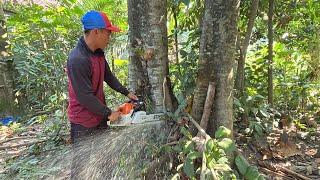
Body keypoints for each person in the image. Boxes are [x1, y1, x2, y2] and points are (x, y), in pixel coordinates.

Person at [66, 10, 137, 178]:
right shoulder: (77, 60)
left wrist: (127, 92)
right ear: (96, 31)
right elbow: (84, 97)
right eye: (108, 32)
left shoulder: (98, 53)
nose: (109, 37)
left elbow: (108, 76)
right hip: (82, 122)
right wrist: (109, 112)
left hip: (98, 116)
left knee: (105, 159)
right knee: (81, 165)